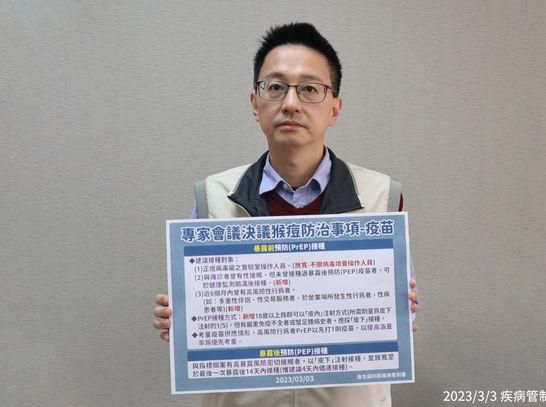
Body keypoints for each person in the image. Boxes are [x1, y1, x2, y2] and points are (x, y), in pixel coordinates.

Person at [153, 22, 419, 407]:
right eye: (275, 87)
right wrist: (182, 319)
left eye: (309, 89)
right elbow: (199, 320)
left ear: (335, 108)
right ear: (255, 104)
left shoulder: (382, 196)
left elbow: (401, 316)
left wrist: (402, 312)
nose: (291, 103)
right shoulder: (212, 197)